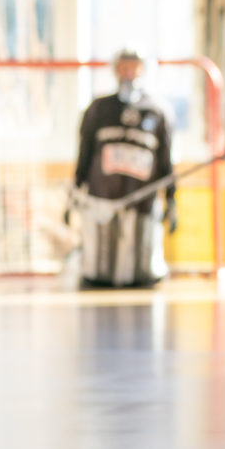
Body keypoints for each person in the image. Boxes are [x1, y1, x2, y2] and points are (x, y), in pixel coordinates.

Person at [72, 48, 176, 287]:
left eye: (134, 66)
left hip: (142, 202)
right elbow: (84, 152)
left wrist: (171, 199)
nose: (129, 72)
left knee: (141, 268)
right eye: (123, 66)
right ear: (115, 69)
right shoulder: (98, 109)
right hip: (102, 200)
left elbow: (166, 161)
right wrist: (77, 190)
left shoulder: (158, 112)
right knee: (100, 264)